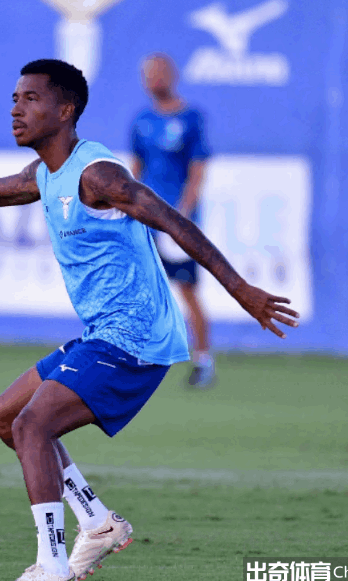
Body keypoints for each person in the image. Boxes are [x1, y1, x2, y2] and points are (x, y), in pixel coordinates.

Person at [0, 59, 299, 581]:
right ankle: (97, 523)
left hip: (134, 339)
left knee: (34, 426)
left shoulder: (97, 174)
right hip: (104, 332)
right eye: (15, 99)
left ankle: (53, 571)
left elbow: (173, 220)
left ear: (66, 110)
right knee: (8, 417)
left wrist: (240, 288)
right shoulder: (45, 173)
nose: (16, 109)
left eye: (30, 99)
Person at [131, 52, 215, 388]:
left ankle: (204, 361)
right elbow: (136, 168)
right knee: (142, 290)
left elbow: (198, 169)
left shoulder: (191, 118)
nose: (154, 80)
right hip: (146, 218)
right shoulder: (141, 120)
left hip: (178, 220)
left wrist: (183, 213)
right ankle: (140, 358)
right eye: (148, 74)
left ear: (173, 75)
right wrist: (128, 206)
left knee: (187, 290)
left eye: (159, 73)